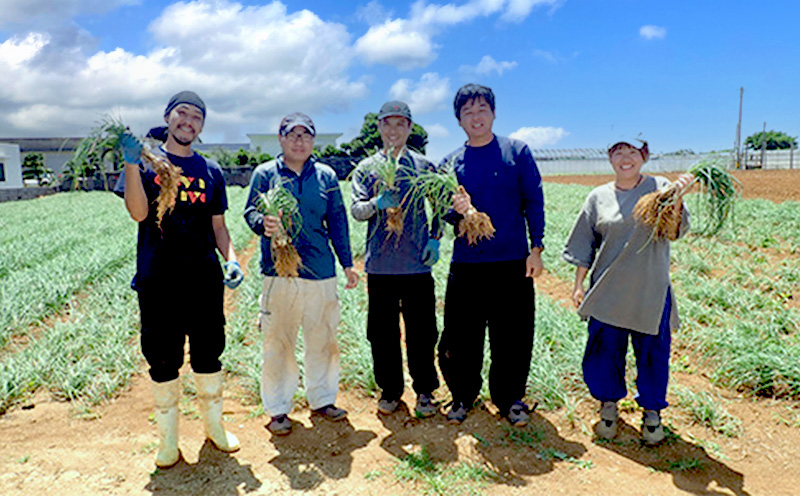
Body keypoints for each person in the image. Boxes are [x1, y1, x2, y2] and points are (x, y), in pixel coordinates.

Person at [117, 90, 244, 468]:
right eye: (182, 113)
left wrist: (232, 259)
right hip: (159, 280)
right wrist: (129, 165)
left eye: (196, 117)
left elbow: (218, 226)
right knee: (162, 358)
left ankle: (214, 429)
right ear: (168, 118)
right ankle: (168, 440)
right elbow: (139, 214)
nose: (188, 121)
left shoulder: (211, 171)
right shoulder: (147, 165)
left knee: (209, 353)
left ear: (202, 126)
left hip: (204, 279)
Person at [562, 138, 692, 445]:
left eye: (632, 152)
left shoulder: (659, 187)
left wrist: (676, 197)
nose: (625, 158)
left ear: (643, 157)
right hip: (608, 290)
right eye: (618, 151)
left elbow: (675, 230)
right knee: (603, 351)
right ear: (610, 158)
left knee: (652, 354)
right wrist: (579, 285)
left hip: (650, 289)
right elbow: (584, 245)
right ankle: (608, 406)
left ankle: (652, 412)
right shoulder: (597, 197)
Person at [243, 112, 358, 436]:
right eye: (292, 134)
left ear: (313, 140)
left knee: (323, 339)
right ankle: (278, 408)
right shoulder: (265, 174)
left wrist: (347, 263)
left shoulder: (326, 176)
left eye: (306, 135)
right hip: (279, 272)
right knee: (278, 341)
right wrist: (260, 224)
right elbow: (250, 210)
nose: (299, 140)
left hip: (320, 270)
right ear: (280, 139)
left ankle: (322, 399)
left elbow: (337, 221)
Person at [437, 84, 545, 427]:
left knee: (512, 335)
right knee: (460, 335)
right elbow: (442, 211)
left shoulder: (517, 152)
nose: (476, 117)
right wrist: (458, 212)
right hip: (467, 265)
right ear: (459, 120)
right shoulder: (450, 163)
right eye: (467, 112)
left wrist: (536, 248)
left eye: (482, 109)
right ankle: (462, 396)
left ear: (494, 113)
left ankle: (510, 397)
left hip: (511, 260)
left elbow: (534, 201)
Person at [350, 101, 441, 418]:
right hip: (381, 266)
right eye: (387, 124)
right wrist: (377, 202)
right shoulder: (366, 168)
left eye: (401, 124)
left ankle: (426, 390)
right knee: (382, 332)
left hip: (417, 264)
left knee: (423, 331)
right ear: (379, 128)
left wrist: (435, 238)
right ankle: (390, 390)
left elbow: (440, 207)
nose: (393, 130)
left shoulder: (423, 166)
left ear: (409, 128)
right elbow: (357, 211)